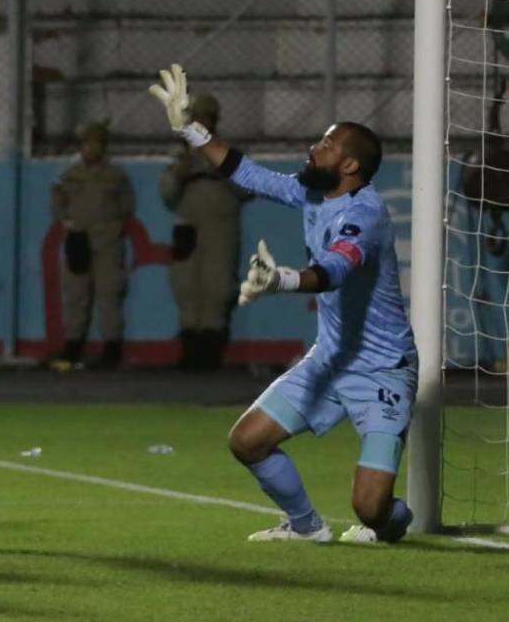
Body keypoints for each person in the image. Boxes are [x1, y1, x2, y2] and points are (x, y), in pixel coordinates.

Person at [149, 64, 417, 544]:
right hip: (331, 359)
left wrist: (282, 280)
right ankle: (307, 526)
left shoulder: (365, 214)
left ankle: (394, 520)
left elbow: (337, 269)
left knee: (371, 509)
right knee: (247, 441)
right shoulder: (312, 193)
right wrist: (189, 127)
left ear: (350, 165)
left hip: (382, 369)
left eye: (327, 144)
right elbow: (247, 173)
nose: (314, 148)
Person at [158, 93, 249, 370]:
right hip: (188, 227)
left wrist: (221, 167)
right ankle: (189, 351)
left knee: (218, 288)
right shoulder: (180, 156)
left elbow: (248, 188)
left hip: (220, 229)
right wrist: (181, 173)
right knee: (185, 287)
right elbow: (167, 196)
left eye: (205, 119)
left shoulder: (228, 152)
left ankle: (211, 354)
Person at [50, 121, 135, 370]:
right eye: (87, 143)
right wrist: (68, 223)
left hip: (108, 241)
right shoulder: (68, 175)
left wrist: (115, 226)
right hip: (79, 239)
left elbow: (126, 205)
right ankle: (73, 345)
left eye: (97, 143)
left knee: (109, 294)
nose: (92, 148)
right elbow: (57, 203)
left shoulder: (116, 176)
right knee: (75, 295)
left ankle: (111, 347)